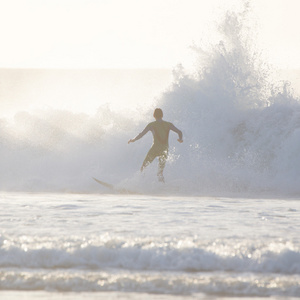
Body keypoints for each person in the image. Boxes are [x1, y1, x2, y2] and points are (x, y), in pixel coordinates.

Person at [128, 108, 183, 182]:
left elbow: (141, 134)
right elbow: (179, 132)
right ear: (162, 115)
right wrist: (180, 139)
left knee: (144, 167)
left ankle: (139, 184)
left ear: (154, 115)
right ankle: (162, 187)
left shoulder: (151, 125)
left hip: (155, 149)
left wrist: (133, 140)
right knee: (160, 172)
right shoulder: (168, 124)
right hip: (164, 150)